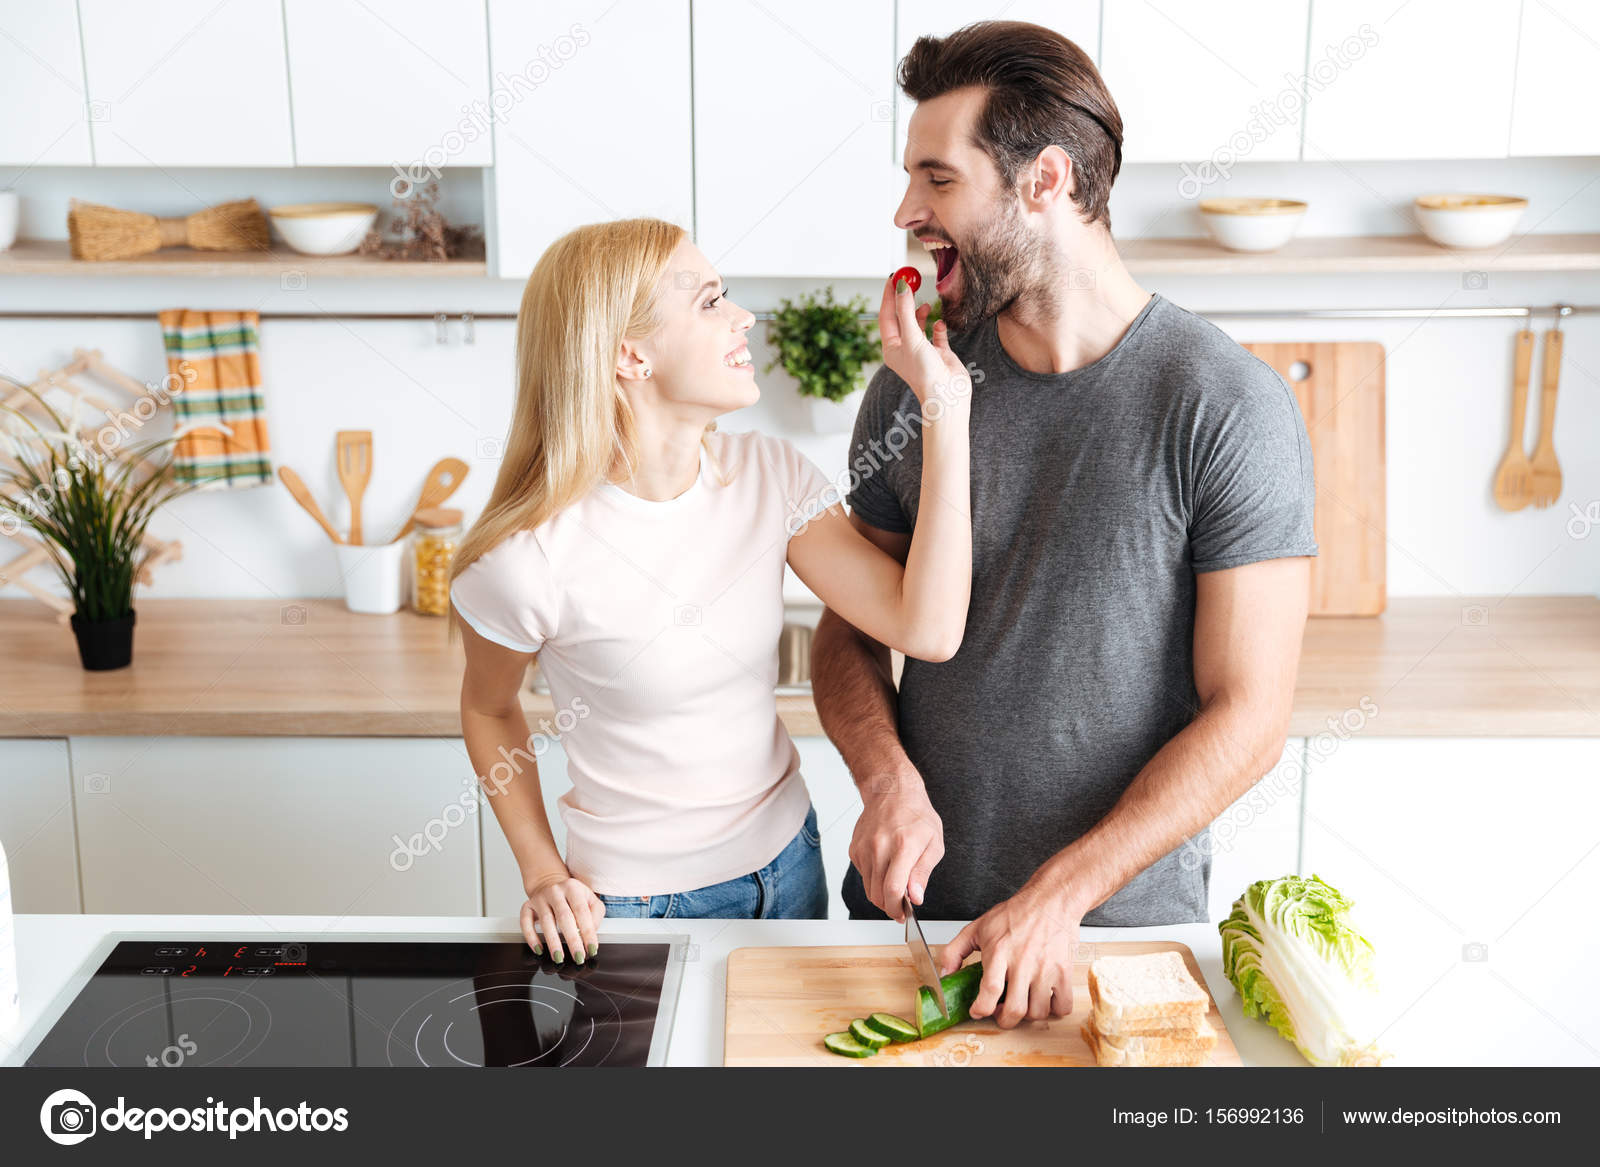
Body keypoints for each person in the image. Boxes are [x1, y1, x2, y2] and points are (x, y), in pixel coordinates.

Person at [811, 21, 1317, 1028]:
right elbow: (846, 629)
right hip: (913, 926)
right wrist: (882, 776)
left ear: (1044, 180)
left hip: (1113, 938)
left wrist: (1060, 895)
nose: (907, 212)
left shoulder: (1222, 403)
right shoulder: (915, 387)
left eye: (938, 180)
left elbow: (1249, 714)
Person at [449, 217, 972, 961]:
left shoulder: (770, 477)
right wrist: (542, 872)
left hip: (790, 869)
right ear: (631, 354)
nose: (743, 316)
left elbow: (928, 628)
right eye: (708, 302)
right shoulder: (528, 555)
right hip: (634, 906)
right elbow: (487, 707)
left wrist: (945, 408)